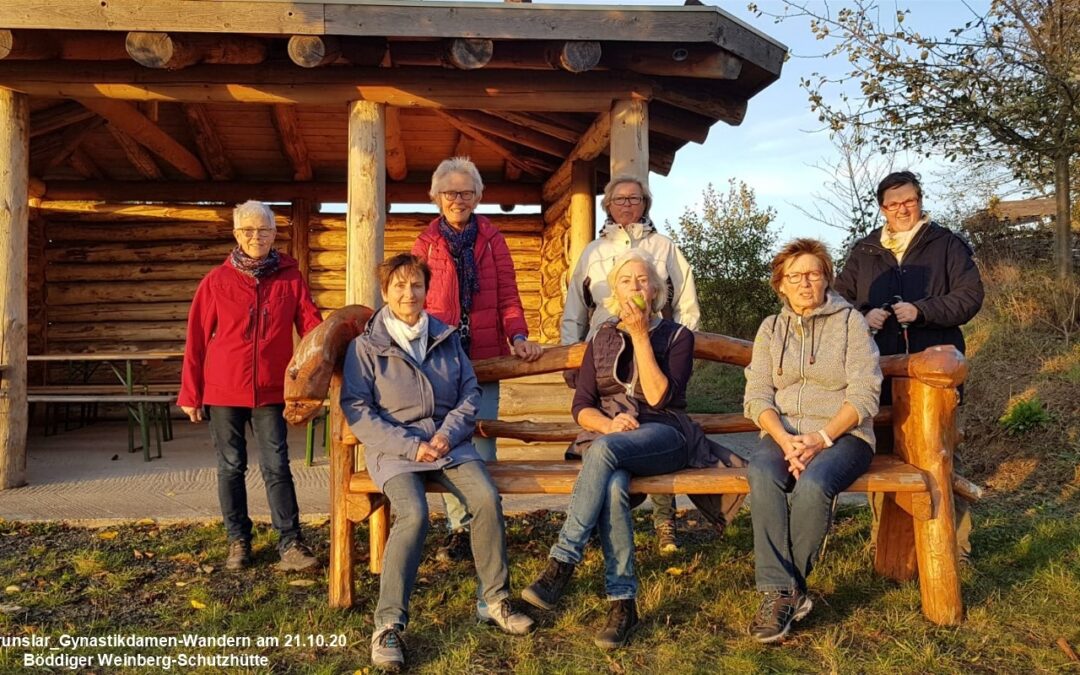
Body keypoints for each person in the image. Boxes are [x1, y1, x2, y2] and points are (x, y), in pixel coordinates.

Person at [523, 250, 740, 650]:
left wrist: (640, 335)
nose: (635, 286)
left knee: (605, 452)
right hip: (612, 435)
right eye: (626, 281)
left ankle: (562, 562)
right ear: (615, 293)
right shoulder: (601, 338)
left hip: (665, 434)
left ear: (655, 291)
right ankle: (623, 604)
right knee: (612, 485)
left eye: (642, 280)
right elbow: (581, 405)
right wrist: (608, 425)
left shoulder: (677, 336)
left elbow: (658, 398)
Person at [340, 254, 534, 671]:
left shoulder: (446, 337)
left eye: (416, 285)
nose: (408, 293)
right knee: (413, 514)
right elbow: (357, 408)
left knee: (486, 499)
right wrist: (411, 447)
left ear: (427, 291)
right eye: (399, 285)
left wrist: (447, 434)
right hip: (397, 450)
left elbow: (469, 392)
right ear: (385, 291)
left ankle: (494, 600)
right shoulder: (365, 347)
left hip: (449, 444)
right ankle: (388, 624)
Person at [835, 170, 984, 563]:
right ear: (882, 208)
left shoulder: (947, 244)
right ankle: (886, 543)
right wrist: (863, 314)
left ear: (920, 200)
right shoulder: (865, 250)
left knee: (941, 452)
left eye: (909, 201)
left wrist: (922, 310)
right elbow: (837, 300)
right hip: (879, 372)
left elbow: (970, 297)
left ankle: (954, 546)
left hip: (936, 372)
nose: (902, 209)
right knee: (882, 454)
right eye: (893, 204)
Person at [742, 238, 882, 643]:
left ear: (826, 279)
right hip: (783, 433)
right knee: (762, 472)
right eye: (795, 276)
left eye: (813, 274)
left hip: (844, 434)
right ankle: (784, 593)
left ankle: (783, 593)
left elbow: (865, 394)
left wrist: (821, 438)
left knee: (815, 484)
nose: (805, 283)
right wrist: (785, 439)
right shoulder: (771, 329)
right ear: (780, 285)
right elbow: (757, 395)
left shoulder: (851, 323)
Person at [560, 175, 702, 554]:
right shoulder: (593, 251)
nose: (627, 205)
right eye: (619, 199)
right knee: (616, 443)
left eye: (634, 199)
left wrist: (678, 345)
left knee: (650, 417)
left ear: (645, 204)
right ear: (607, 205)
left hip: (654, 347)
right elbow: (576, 305)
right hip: (606, 344)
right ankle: (606, 554)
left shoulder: (663, 246)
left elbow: (686, 299)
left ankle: (662, 521)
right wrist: (572, 351)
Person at [178, 200, 322, 572]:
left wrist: (327, 362)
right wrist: (191, 392)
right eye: (248, 230)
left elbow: (312, 329)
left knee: (277, 466)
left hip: (272, 391)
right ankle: (238, 541)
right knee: (231, 466)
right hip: (223, 390)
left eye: (263, 230)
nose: (256, 237)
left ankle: (290, 542)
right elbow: (196, 339)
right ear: (236, 234)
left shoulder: (290, 277)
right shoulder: (217, 281)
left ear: (274, 234)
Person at [412, 156, 543, 563]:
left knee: (483, 441)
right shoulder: (425, 243)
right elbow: (414, 300)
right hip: (441, 362)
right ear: (437, 196)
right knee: (448, 443)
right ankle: (459, 529)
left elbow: (508, 295)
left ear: (478, 196)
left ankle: (486, 523)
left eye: (467, 192)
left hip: (485, 357)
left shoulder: (492, 239)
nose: (459, 200)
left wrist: (518, 336)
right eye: (451, 192)